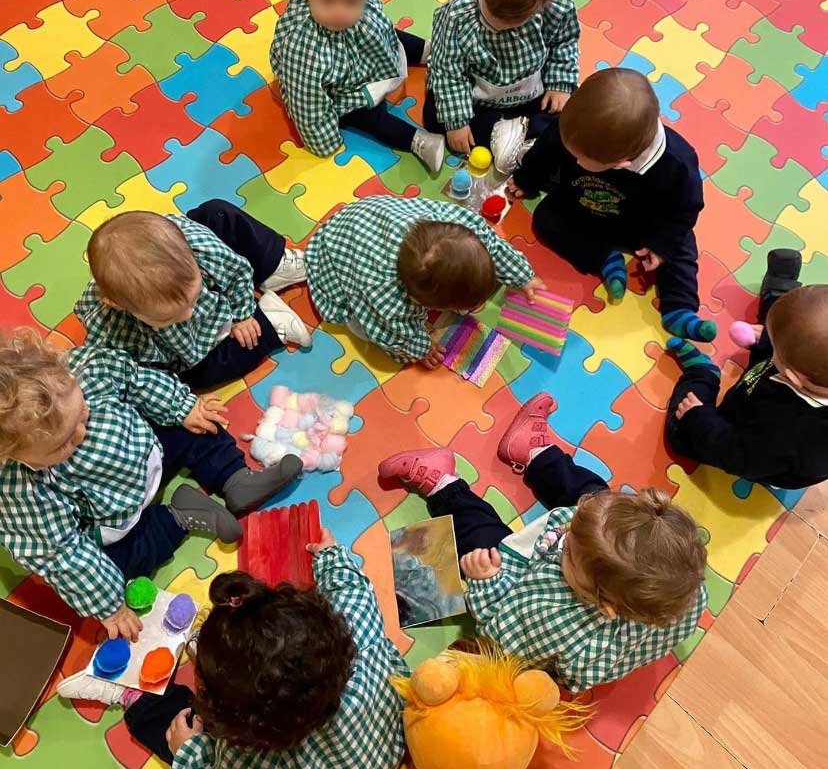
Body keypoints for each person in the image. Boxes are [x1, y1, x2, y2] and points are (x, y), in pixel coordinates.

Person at [378, 394, 708, 693]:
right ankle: (535, 451)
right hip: (606, 581)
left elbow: (499, 631)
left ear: (601, 603)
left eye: (572, 556)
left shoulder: (558, 623)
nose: (565, 537)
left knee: (480, 545)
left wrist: (485, 581)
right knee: (594, 498)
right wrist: (589, 518)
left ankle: (443, 484)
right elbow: (593, 524)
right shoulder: (684, 582)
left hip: (526, 608)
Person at [0, 329, 302, 641]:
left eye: (83, 416)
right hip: (115, 517)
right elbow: (62, 553)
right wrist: (109, 606)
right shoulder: (19, 490)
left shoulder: (90, 368)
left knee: (189, 425)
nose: (80, 435)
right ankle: (176, 518)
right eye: (61, 446)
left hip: (146, 450)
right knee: (112, 568)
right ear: (10, 454)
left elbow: (137, 381)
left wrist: (183, 407)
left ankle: (235, 478)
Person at [56, 531, 409, 769]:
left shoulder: (243, 759)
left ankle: (137, 698)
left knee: (174, 726)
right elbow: (350, 589)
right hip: (382, 747)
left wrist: (189, 752)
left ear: (233, 724)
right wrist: (331, 555)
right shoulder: (361, 640)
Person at [508, 67, 717, 343]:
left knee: (681, 246)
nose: (574, 158)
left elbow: (685, 209)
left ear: (621, 163)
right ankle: (604, 259)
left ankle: (680, 308)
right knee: (545, 218)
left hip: (642, 227)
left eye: (580, 159)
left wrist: (661, 244)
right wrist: (527, 178)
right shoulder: (577, 128)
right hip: (581, 210)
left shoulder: (676, 164)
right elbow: (547, 148)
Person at [75, 201, 310, 391]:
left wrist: (243, 314)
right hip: (194, 345)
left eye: (194, 298)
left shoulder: (199, 246)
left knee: (218, 213)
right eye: (166, 318)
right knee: (196, 377)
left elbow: (237, 271)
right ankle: (269, 322)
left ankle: (273, 264)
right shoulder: (110, 328)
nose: (189, 314)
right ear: (116, 305)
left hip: (216, 276)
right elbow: (128, 374)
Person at [270, 0, 445, 172]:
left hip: (360, 54)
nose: (339, 12)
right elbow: (307, 103)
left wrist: (381, 34)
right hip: (340, 88)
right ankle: (418, 141)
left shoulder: (362, 2)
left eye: (351, 0)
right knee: (366, 116)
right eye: (328, 0)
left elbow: (383, 29)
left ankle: (433, 51)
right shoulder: (302, 48)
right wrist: (324, 142)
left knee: (390, 33)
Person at [305, 195, 543, 366]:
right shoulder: (387, 295)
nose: (478, 309)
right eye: (467, 306)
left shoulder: (467, 228)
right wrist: (421, 348)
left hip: (370, 215)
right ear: (420, 300)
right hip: (333, 253)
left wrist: (523, 277)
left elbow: (496, 247)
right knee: (365, 328)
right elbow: (394, 334)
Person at [424, 0, 580, 172]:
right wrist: (457, 123)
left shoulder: (556, 6)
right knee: (435, 117)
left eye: (516, 20)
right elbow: (447, 73)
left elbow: (564, 42)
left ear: (544, 0)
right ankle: (510, 132)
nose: (504, 25)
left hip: (531, 92)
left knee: (572, 112)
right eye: (496, 14)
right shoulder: (457, 17)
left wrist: (560, 86)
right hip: (478, 99)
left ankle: (527, 136)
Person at [667, 251, 828, 489]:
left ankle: (702, 374)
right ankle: (781, 297)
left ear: (793, 376)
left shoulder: (786, 434)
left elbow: (736, 455)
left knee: (681, 437)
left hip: (755, 451)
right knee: (795, 324)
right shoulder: (809, 374)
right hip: (792, 377)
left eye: (775, 350)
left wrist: (699, 418)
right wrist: (765, 342)